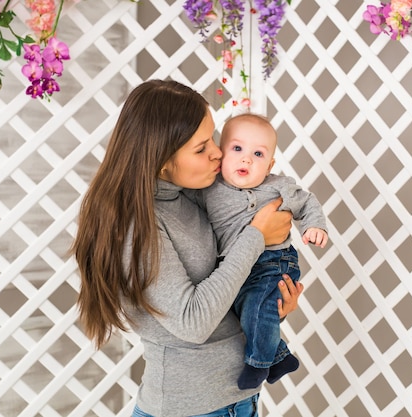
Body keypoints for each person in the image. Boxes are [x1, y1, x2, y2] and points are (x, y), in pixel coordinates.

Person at [71, 79, 303, 417]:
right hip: (191, 409)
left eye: (213, 138)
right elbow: (193, 323)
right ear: (162, 159)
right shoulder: (136, 227)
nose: (218, 152)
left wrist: (264, 305)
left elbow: (221, 291)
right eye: (201, 147)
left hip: (238, 402)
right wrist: (256, 236)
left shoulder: (193, 198)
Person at [196, 113, 328, 390]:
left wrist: (313, 227)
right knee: (241, 313)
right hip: (234, 267)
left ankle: (258, 364)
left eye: (258, 154)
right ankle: (280, 358)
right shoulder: (208, 188)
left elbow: (307, 203)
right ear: (220, 155)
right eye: (237, 149)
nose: (246, 159)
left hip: (273, 261)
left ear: (270, 165)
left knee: (257, 306)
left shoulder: (277, 186)